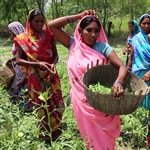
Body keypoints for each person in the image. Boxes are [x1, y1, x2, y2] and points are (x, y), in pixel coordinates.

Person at [48, 10, 128, 149]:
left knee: (105, 141)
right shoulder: (73, 44)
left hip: (101, 102)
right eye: (88, 30)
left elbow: (122, 66)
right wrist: (78, 16)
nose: (93, 35)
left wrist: (119, 81)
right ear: (80, 30)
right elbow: (51, 25)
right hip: (82, 102)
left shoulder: (102, 47)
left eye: (97, 31)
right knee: (90, 138)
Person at [14, 9, 65, 141]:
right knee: (41, 104)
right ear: (29, 22)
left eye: (42, 20)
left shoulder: (49, 34)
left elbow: (56, 55)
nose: (40, 23)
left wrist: (53, 64)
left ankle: (57, 131)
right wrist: (38, 65)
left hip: (51, 74)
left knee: (56, 102)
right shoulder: (23, 39)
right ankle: (45, 135)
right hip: (35, 76)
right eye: (36, 21)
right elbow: (18, 60)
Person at [130, 14, 150, 148]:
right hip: (138, 73)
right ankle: (142, 128)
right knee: (141, 100)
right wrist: (128, 69)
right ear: (140, 24)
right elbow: (132, 55)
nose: (147, 26)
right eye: (144, 23)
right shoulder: (135, 38)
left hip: (149, 73)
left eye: (149, 23)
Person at [7, 22, 31, 110]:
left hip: (23, 67)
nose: (10, 32)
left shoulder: (23, 40)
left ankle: (26, 106)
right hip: (18, 66)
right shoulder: (16, 40)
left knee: (21, 85)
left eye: (11, 30)